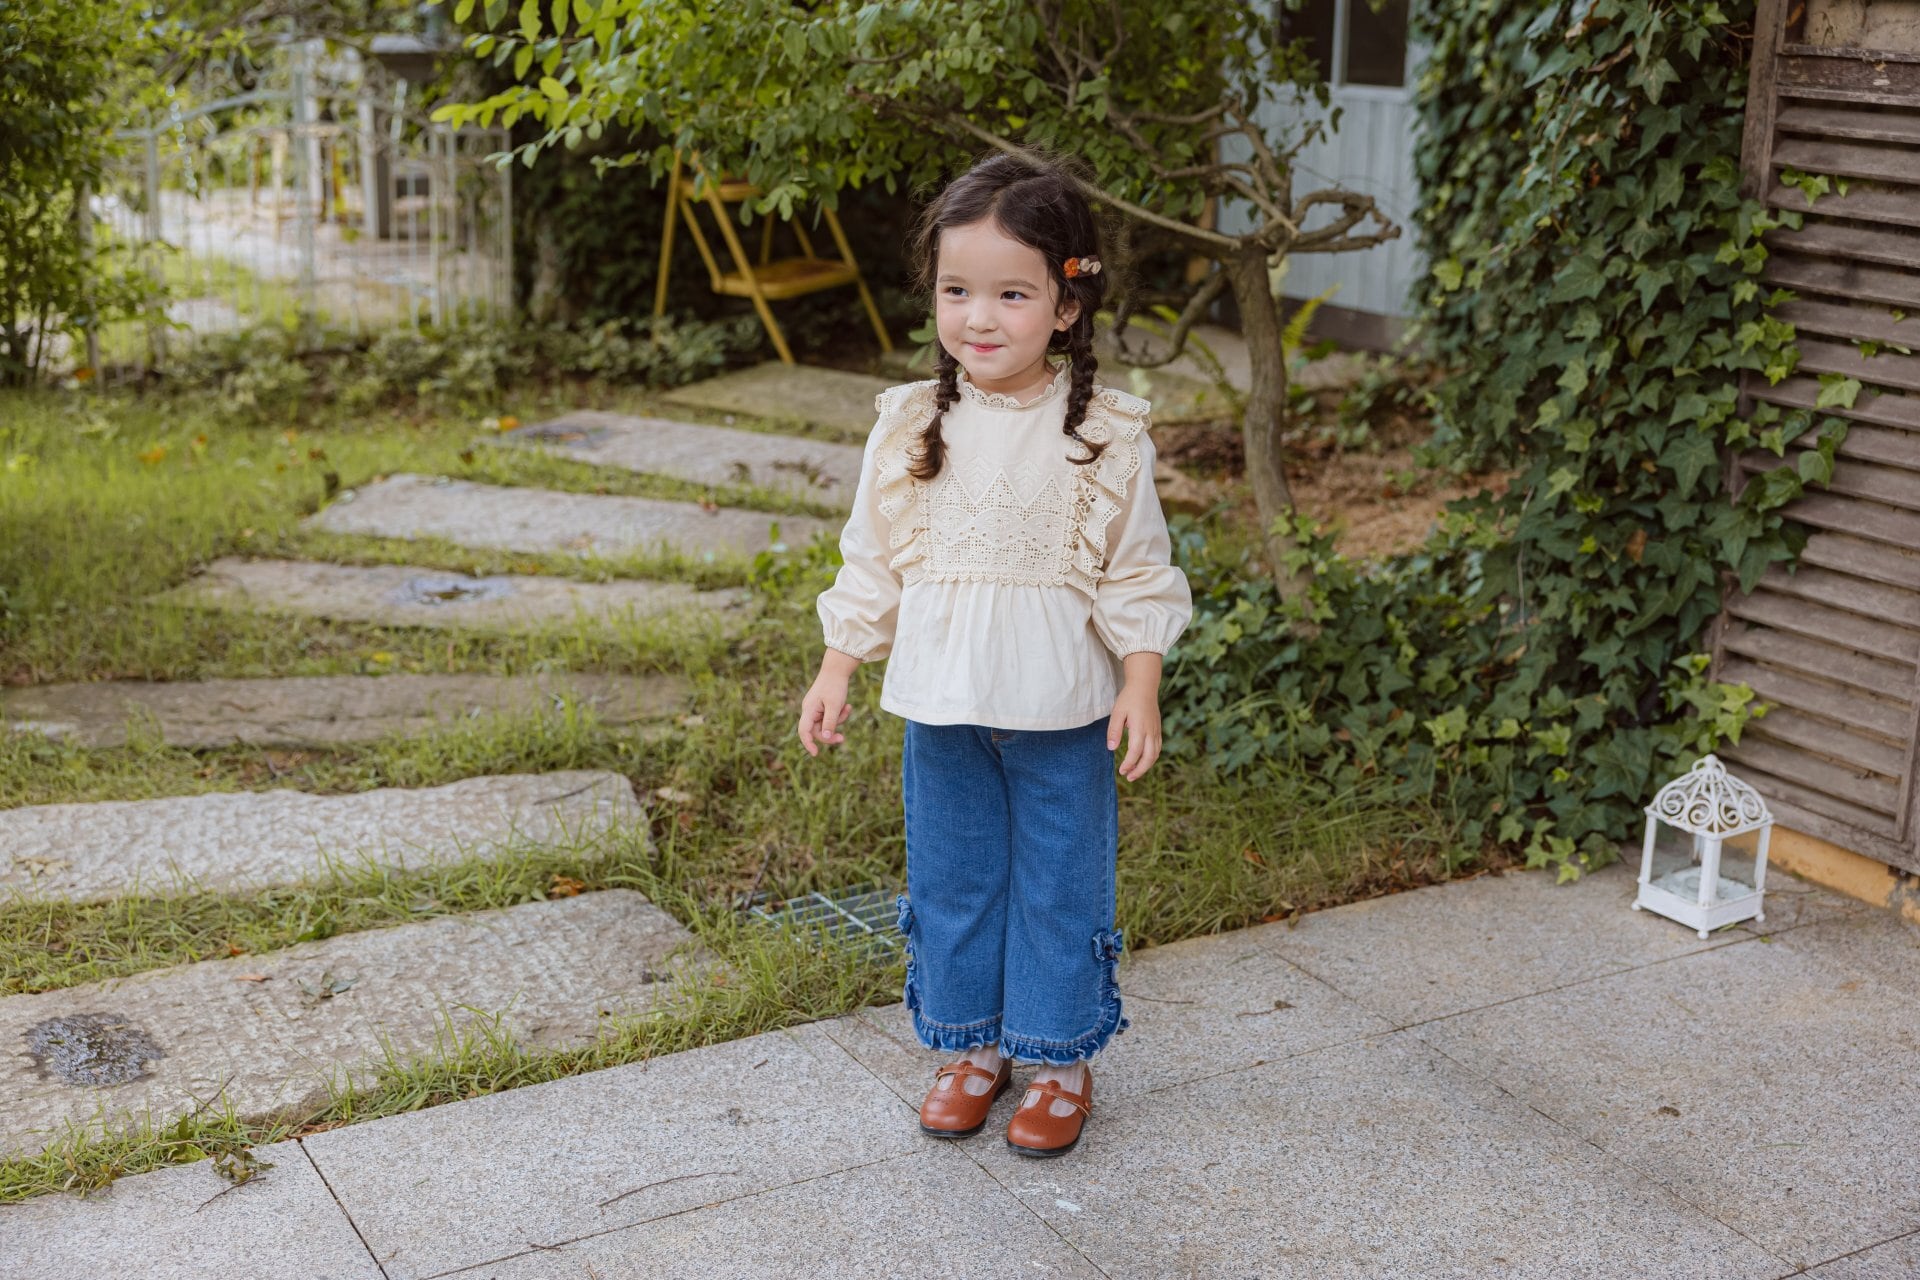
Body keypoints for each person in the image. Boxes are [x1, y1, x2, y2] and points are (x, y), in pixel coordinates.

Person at [796, 150, 1192, 1157]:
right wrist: (840, 663)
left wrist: (1140, 679)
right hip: (942, 709)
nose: (979, 317)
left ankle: (1058, 1058)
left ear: (1066, 304)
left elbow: (1137, 570)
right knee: (955, 878)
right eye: (956, 290)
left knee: (1058, 884)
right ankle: (972, 1046)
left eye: (1011, 294)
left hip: (1061, 711)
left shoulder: (1103, 432)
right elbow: (871, 558)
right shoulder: (909, 424)